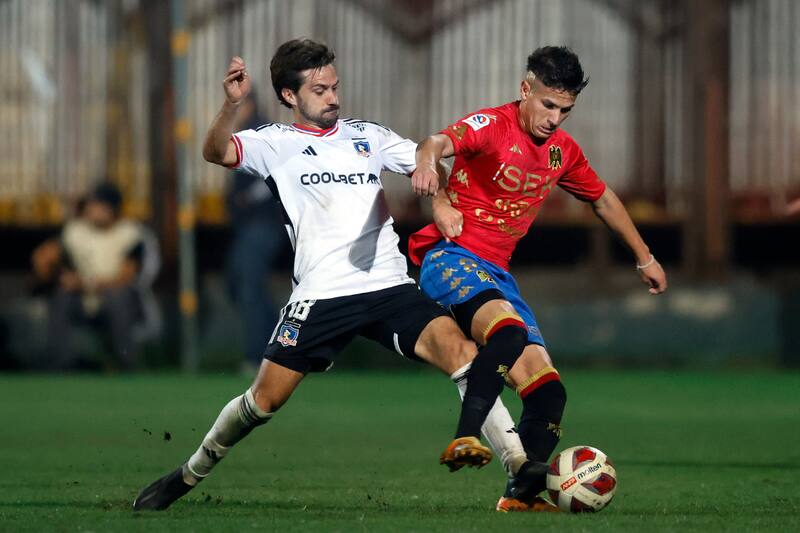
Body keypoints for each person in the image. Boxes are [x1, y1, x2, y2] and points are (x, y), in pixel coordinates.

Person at [133, 39, 538, 512]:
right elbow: (214, 151)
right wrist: (231, 105)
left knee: (462, 350)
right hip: (323, 294)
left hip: (388, 285)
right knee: (263, 402)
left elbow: (428, 163)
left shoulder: (368, 135)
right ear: (289, 95)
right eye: (319, 89)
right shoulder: (273, 143)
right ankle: (188, 474)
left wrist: (440, 197)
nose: (333, 98)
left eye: (334, 87)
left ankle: (519, 467)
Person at [408, 46, 668, 511]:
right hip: (451, 257)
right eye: (548, 105)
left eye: (565, 110)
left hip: (499, 277)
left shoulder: (561, 152)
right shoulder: (492, 126)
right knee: (505, 333)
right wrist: (428, 168)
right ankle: (465, 436)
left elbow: (603, 199)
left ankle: (521, 495)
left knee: (548, 391)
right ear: (526, 89)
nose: (554, 118)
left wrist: (644, 257)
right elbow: (434, 143)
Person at [32, 182, 148, 370]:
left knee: (119, 296)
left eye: (97, 205)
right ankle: (59, 365)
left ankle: (126, 364)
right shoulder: (75, 231)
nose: (90, 209)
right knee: (62, 296)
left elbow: (125, 277)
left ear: (111, 208)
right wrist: (50, 269)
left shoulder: (130, 233)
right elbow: (45, 257)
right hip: (83, 301)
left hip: (115, 299)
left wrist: (86, 284)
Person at [225, 92, 287, 371]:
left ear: (248, 105)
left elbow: (278, 173)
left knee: (249, 286)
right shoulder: (250, 132)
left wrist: (249, 197)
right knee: (241, 283)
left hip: (263, 224)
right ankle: (278, 345)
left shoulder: (259, 132)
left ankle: (258, 355)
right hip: (251, 225)